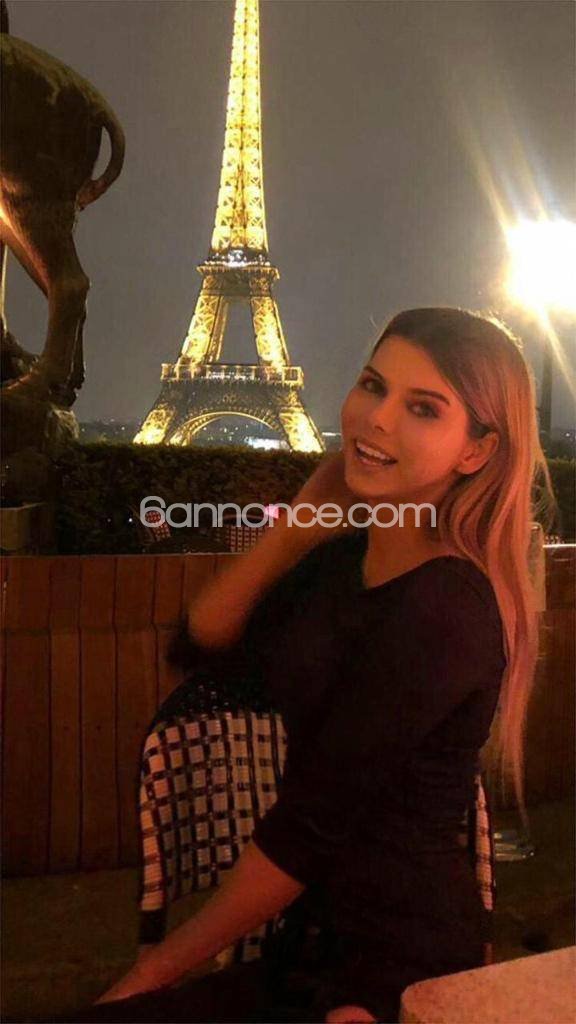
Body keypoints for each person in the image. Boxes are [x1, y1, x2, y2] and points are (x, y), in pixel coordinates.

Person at [60, 308, 556, 1024]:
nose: (377, 417)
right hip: (310, 942)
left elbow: (308, 829)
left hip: (397, 964)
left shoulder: (444, 608)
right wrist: (297, 527)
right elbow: (201, 643)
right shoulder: (344, 564)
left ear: (475, 452)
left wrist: (153, 969)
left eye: (422, 407)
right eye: (373, 385)